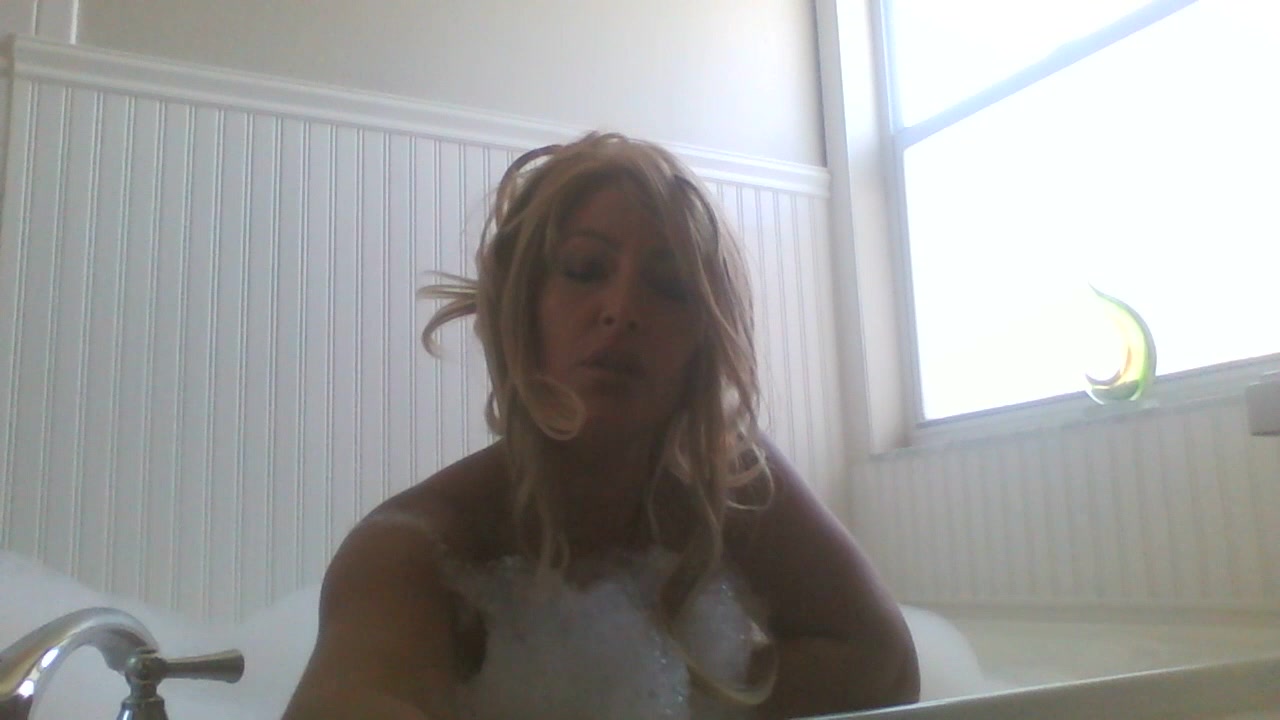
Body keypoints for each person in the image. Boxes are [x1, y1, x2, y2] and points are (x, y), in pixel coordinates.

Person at [281, 132, 919, 720]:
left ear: (700, 340)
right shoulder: (416, 548)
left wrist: (695, 691)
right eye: (585, 270)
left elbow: (883, 667)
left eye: (670, 286)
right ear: (522, 306)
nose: (622, 309)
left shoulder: (729, 484)